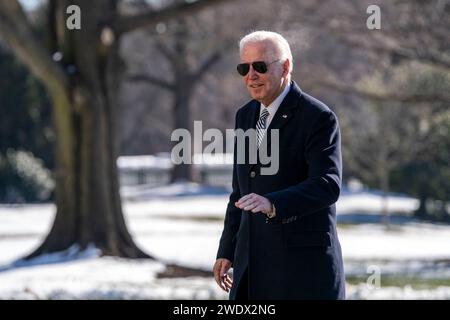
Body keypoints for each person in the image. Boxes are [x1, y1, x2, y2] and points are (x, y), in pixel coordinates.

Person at [213, 31, 345, 300]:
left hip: (302, 272)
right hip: (252, 271)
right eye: (244, 68)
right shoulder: (245, 116)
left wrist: (273, 203)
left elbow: (327, 184)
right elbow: (240, 192)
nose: (251, 75)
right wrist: (227, 249)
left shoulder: (318, 117)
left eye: (260, 67)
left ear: (285, 67)